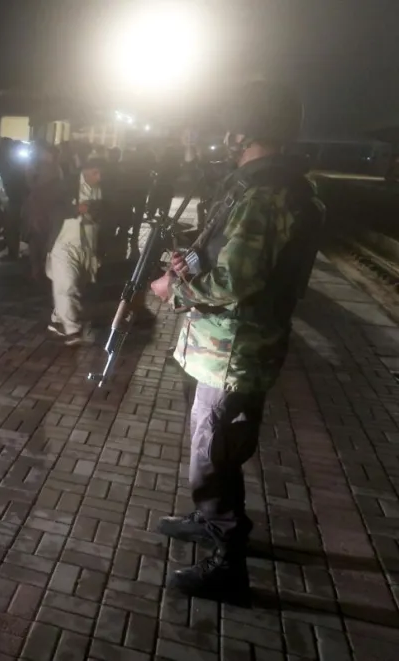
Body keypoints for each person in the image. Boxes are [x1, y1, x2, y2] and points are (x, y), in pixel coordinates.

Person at [148, 80, 324, 600]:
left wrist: (173, 289)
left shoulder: (266, 194)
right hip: (224, 349)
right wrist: (191, 262)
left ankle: (228, 559)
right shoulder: (272, 186)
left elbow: (235, 280)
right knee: (217, 446)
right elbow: (226, 259)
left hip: (232, 353)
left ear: (246, 129)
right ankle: (212, 520)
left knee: (213, 454)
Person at [47, 158, 103, 345]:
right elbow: (51, 208)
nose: (99, 177)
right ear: (86, 171)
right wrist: (75, 209)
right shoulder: (66, 185)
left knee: (78, 284)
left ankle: (57, 319)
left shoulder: (103, 188)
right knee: (67, 285)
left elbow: (109, 211)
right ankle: (72, 330)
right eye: (95, 173)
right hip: (63, 243)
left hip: (87, 245)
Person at [22, 142, 66, 282]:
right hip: (42, 208)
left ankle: (39, 269)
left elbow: (34, 185)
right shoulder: (51, 168)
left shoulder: (50, 169)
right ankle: (39, 269)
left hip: (44, 209)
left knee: (41, 239)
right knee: (40, 239)